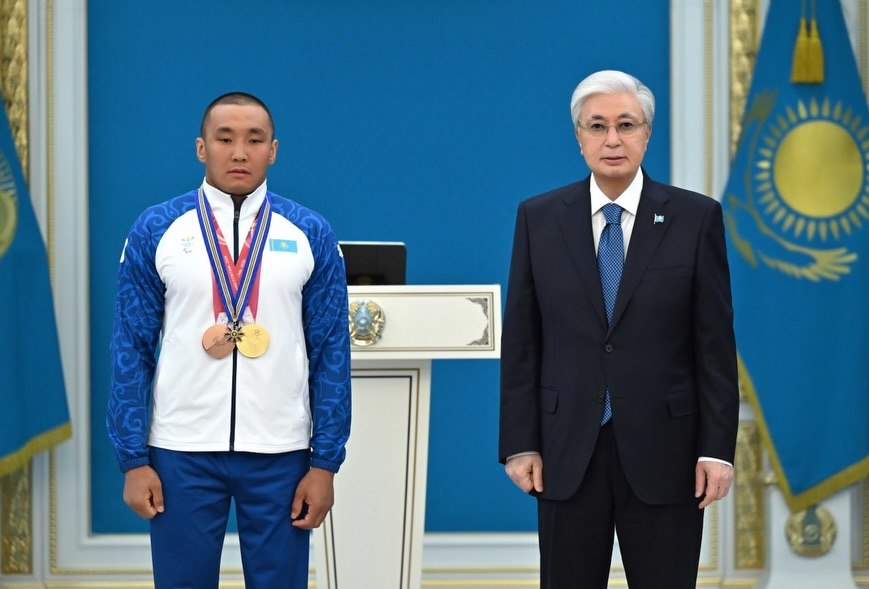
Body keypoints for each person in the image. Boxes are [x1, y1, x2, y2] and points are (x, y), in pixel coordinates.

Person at [499, 70, 739, 589]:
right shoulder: (539, 218)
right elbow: (521, 341)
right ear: (578, 137)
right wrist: (520, 443)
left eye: (626, 125)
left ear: (647, 133)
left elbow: (715, 347)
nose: (612, 139)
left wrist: (716, 449)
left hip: (668, 452)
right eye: (598, 126)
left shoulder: (695, 218)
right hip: (566, 451)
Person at [107, 91, 351, 588]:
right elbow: (130, 347)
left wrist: (325, 462)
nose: (239, 152)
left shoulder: (310, 231)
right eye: (225, 139)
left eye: (254, 140)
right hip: (180, 450)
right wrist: (132, 459)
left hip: (281, 452)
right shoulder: (156, 228)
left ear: (273, 150)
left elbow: (331, 353)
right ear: (201, 148)